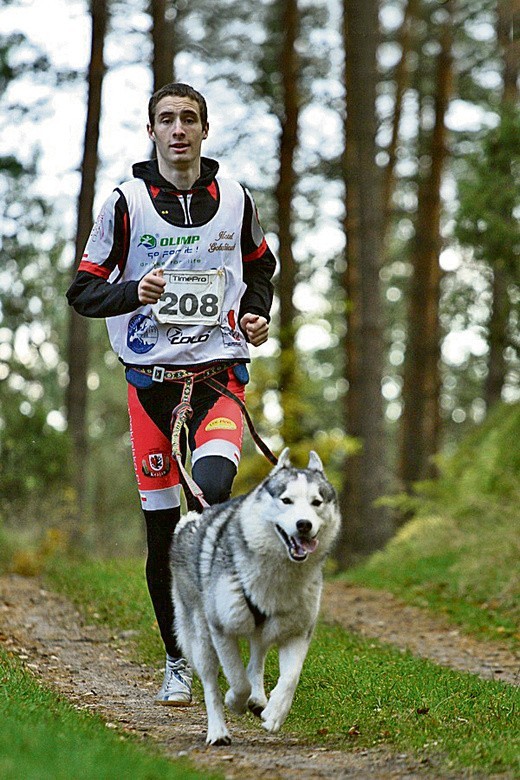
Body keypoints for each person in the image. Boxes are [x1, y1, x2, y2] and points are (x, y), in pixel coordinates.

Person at [67, 82, 276, 706]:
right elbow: (82, 292)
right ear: (152, 131)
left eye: (189, 119)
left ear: (205, 131)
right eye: (167, 120)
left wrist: (257, 316)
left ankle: (233, 624)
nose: (178, 129)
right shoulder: (126, 204)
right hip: (151, 388)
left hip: (218, 378)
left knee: (210, 492)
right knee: (163, 534)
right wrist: (136, 294)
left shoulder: (235, 198)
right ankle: (178, 659)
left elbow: (260, 267)